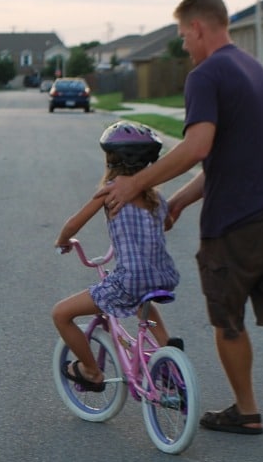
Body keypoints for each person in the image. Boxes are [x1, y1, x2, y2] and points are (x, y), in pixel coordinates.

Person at [97, 0, 263, 454]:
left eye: (184, 35)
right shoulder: (255, 70)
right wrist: (181, 200)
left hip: (239, 221)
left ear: (199, 28)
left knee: (228, 319)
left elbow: (198, 146)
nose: (184, 45)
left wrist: (133, 182)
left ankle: (246, 413)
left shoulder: (205, 75)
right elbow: (232, 154)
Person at [53, 121, 181, 392]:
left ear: (110, 159)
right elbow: (166, 223)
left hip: (130, 280)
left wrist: (64, 240)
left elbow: (73, 225)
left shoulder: (111, 191)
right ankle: (170, 360)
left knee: (61, 314)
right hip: (163, 277)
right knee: (145, 306)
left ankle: (90, 370)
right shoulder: (156, 198)